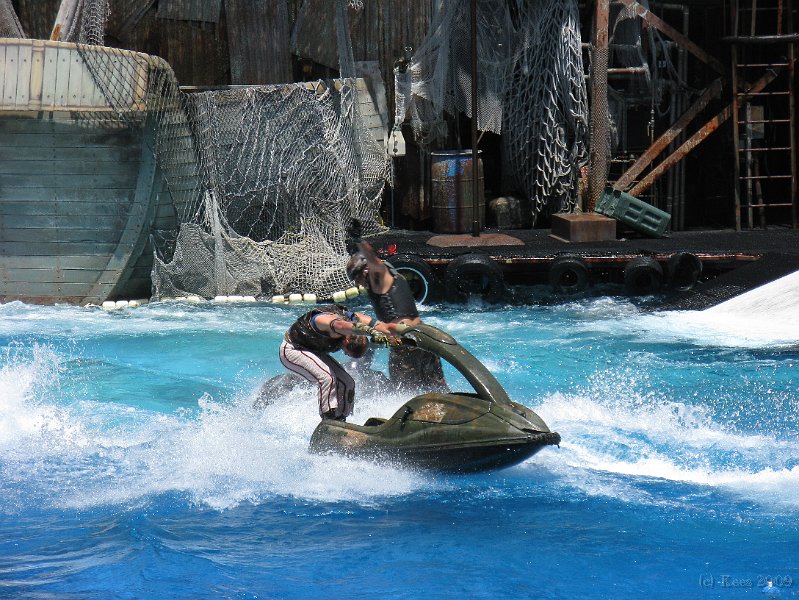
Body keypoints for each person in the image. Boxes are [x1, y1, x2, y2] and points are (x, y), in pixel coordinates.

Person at [346, 236, 447, 392]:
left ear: (366, 269)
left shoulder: (381, 278)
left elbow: (372, 259)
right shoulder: (390, 279)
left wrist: (359, 241)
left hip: (404, 343)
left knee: (403, 392)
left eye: (357, 277)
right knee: (438, 388)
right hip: (423, 335)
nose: (358, 283)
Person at [279, 304, 397, 421]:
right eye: (347, 352)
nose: (344, 353)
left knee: (348, 382)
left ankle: (342, 419)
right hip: (293, 349)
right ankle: (328, 420)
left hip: (313, 351)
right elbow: (340, 325)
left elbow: (367, 320)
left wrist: (385, 328)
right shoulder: (326, 321)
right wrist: (371, 332)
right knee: (327, 378)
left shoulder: (350, 320)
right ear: (347, 340)